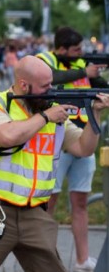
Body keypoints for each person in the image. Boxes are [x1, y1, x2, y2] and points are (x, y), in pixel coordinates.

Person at [0, 56, 109, 272]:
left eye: (51, 83)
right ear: (24, 85)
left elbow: (84, 148)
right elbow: (7, 136)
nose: (51, 90)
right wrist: (45, 117)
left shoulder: (50, 112)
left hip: (35, 212)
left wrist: (95, 114)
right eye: (45, 86)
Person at [37, 26, 108, 272]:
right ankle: (46, 261)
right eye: (76, 50)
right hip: (55, 140)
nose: (81, 53)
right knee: (49, 205)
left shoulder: (81, 62)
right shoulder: (43, 61)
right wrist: (83, 71)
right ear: (61, 49)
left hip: (83, 137)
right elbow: (49, 79)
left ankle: (82, 260)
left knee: (80, 203)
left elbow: (100, 85)